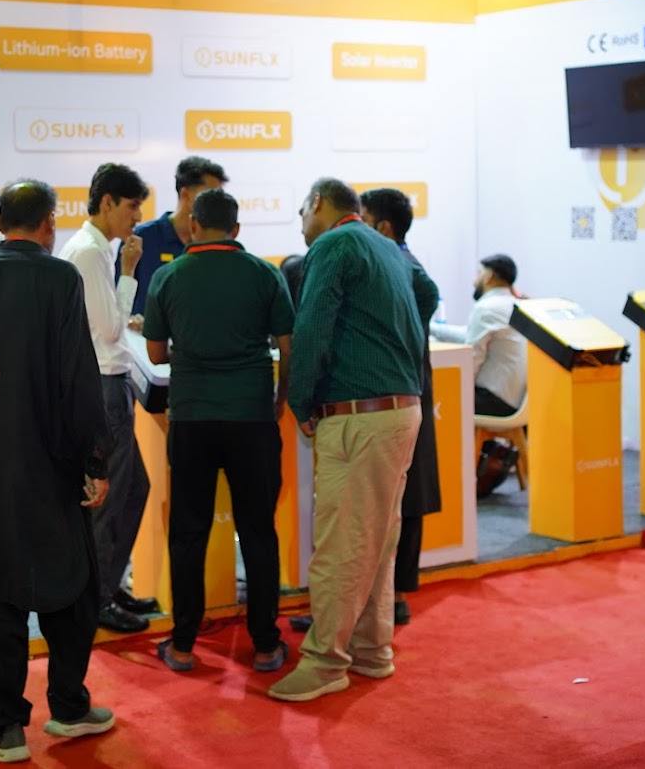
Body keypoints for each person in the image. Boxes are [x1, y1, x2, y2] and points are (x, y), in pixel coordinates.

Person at [0, 181, 116, 763]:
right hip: (49, 465)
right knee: (72, 589)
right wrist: (95, 459)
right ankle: (69, 705)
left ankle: (3, 726)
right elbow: (78, 377)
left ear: (1, 218)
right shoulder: (61, 278)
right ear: (49, 223)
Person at [268, 178, 425, 703]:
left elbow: (311, 327)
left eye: (301, 211)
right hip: (399, 409)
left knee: (341, 545)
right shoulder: (387, 247)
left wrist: (300, 401)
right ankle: (371, 650)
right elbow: (426, 295)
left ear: (317, 203)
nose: (301, 225)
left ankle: (324, 663)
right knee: (375, 540)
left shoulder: (334, 244)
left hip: (358, 413)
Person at [142, 188, 294, 674]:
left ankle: (183, 645)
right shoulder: (265, 273)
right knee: (259, 531)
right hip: (252, 416)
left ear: (192, 226)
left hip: (192, 419)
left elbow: (155, 354)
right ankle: (266, 645)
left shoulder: (168, 276)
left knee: (188, 532)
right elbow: (288, 345)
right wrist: (279, 399)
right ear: (237, 228)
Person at [58, 162, 157, 633]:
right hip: (104, 386)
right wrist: (129, 274)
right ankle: (97, 600)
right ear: (107, 202)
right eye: (132, 205)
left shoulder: (95, 250)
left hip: (110, 383)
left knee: (133, 490)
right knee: (112, 498)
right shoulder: (89, 252)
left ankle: (109, 586)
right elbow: (112, 329)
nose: (137, 216)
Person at [359, 188, 440, 627]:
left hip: (398, 392)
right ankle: (393, 595)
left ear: (384, 227)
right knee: (402, 494)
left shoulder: (399, 267)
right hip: (407, 389)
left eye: (363, 219)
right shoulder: (402, 264)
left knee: (397, 497)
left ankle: (390, 596)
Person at [127, 156, 229, 315]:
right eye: (209, 196)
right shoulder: (143, 238)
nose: (217, 205)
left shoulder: (218, 242)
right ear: (186, 195)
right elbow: (119, 295)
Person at [432, 254, 528, 417]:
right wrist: (432, 329)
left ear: (489, 277)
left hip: (494, 399)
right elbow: (468, 334)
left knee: (435, 398)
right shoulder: (517, 306)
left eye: (479, 273)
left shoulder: (487, 308)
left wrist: (457, 389)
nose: (474, 280)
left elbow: (473, 357)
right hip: (517, 400)